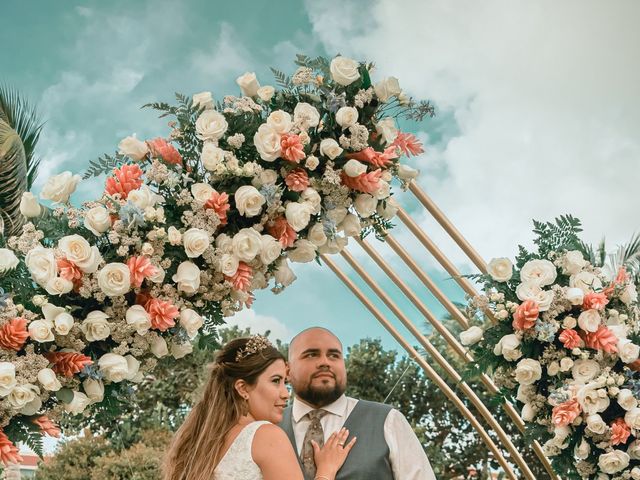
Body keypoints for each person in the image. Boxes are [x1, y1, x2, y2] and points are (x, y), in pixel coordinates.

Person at [163, 335, 356, 480]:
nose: (285, 393)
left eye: (285, 383)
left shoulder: (198, 443)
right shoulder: (265, 435)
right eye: (275, 381)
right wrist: (326, 472)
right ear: (243, 388)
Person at [280, 327, 436, 480]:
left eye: (334, 355)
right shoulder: (268, 426)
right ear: (287, 371)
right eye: (312, 354)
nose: (324, 362)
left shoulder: (388, 420)